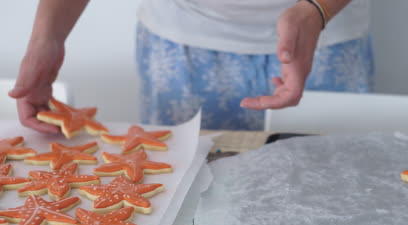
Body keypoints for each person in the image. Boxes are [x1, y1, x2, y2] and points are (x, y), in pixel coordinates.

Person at [9, 0, 372, 131]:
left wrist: (318, 9)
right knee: (187, 193)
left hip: (327, 37)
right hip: (182, 45)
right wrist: (48, 38)